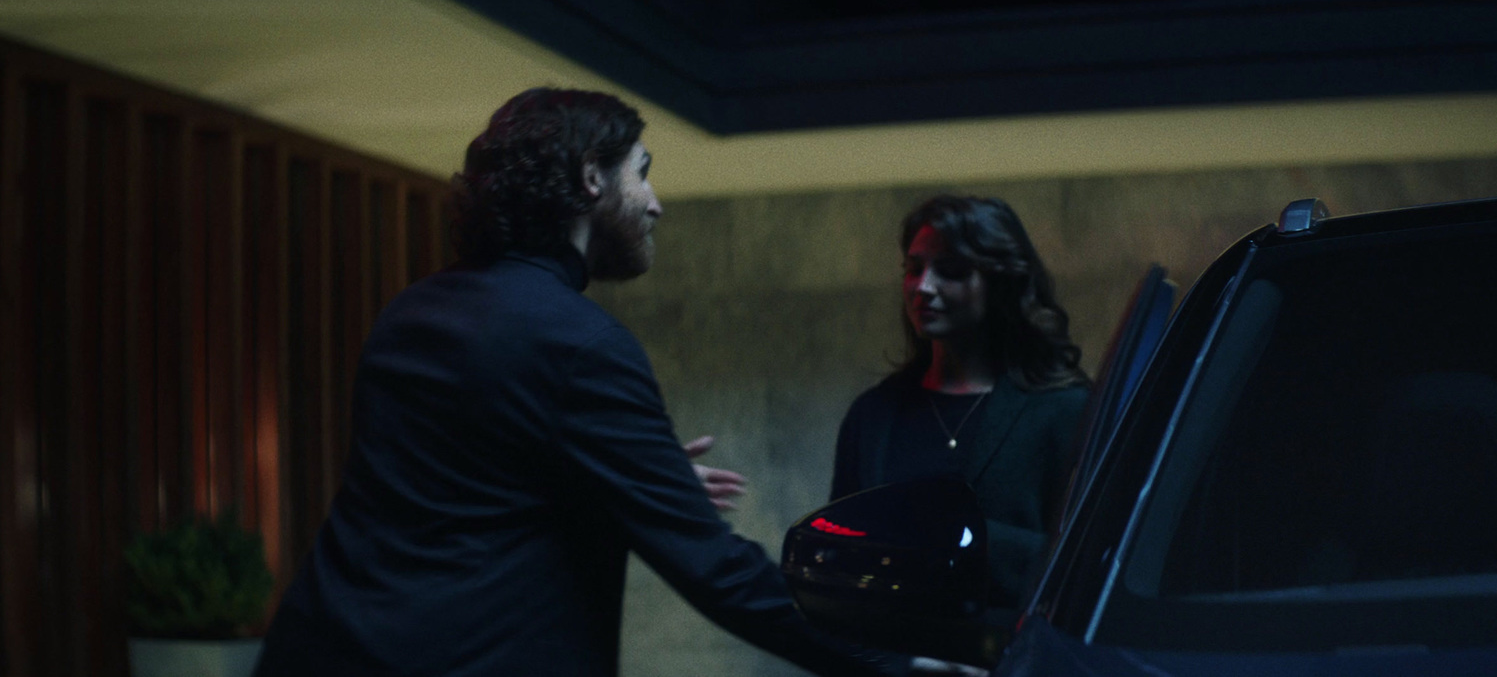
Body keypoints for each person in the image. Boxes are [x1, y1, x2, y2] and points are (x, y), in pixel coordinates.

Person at [255, 88, 905, 677]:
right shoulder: (582, 344)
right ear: (592, 177)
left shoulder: (410, 311)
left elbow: (465, 496)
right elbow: (716, 572)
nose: (656, 203)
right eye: (642, 173)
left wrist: (614, 482)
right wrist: (896, 663)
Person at [830, 195, 1091, 617]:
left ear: (1001, 283)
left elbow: (1082, 568)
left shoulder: (1065, 411)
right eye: (914, 269)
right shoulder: (873, 415)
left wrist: (955, 536)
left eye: (950, 271)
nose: (923, 287)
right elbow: (839, 568)